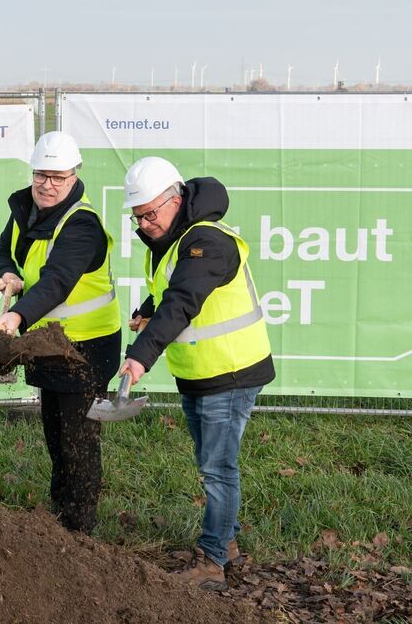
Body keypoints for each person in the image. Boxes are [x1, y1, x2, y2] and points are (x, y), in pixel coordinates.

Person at [119, 156, 274, 590]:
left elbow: (184, 299)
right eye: (138, 217)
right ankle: (227, 542)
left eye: (151, 213)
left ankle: (212, 563)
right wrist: (148, 312)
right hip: (203, 373)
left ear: (176, 198)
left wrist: (140, 355)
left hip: (231, 371)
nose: (145, 224)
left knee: (218, 468)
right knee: (213, 464)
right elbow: (171, 292)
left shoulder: (207, 240)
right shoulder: (177, 239)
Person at [0, 131, 121, 534]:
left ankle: (80, 529)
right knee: (56, 435)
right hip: (48, 344)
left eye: (58, 177)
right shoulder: (26, 211)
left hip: (86, 349)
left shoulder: (82, 225)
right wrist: (5, 272)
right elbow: (2, 248)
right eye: (41, 175)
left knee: (78, 441)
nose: (48, 185)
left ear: (75, 175)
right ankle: (60, 518)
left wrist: (17, 318)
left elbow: (57, 281)